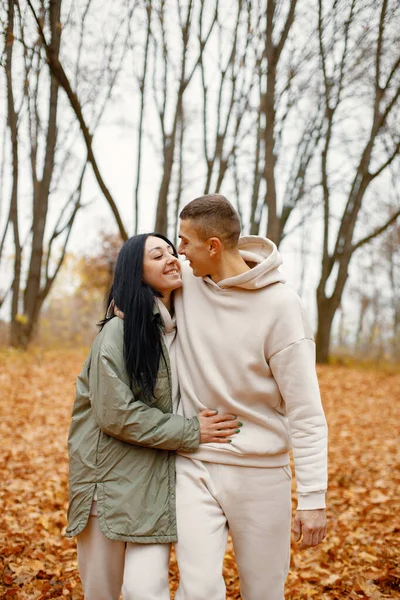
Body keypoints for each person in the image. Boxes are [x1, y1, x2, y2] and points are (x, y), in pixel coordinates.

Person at [66, 233, 241, 600]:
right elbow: (117, 415)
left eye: (174, 252)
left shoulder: (174, 330)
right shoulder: (119, 332)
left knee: (147, 591)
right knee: (102, 592)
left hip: (152, 488)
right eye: (157, 255)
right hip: (108, 487)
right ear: (136, 273)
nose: (172, 258)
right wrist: (191, 431)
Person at [172, 194, 328, 600]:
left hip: (261, 473)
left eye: (185, 241)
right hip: (195, 463)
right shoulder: (183, 282)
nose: (179, 252)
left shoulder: (281, 306)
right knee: (198, 589)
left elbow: (305, 410)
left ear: (213, 246)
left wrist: (313, 498)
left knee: (264, 591)